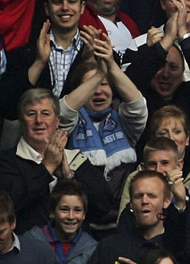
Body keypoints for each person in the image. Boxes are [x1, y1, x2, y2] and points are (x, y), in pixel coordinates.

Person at [0, 88, 112, 232]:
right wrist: (47, 168)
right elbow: (2, 208)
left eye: (45, 114)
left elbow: (104, 205)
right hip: (26, 248)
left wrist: (69, 179)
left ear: (57, 121)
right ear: (21, 121)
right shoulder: (3, 162)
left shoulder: (75, 158)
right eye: (31, 114)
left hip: (75, 248)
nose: (39, 120)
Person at [124, 0, 190, 162]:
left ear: (183, 72)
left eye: (173, 68)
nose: (165, 74)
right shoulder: (142, 100)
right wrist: (168, 38)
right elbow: (131, 81)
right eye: (159, 66)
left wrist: (184, 35)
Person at [59, 33, 147, 209]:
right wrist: (99, 75)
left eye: (104, 84)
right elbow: (63, 111)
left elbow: (138, 105)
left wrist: (111, 65)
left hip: (126, 212)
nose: (99, 91)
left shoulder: (122, 119)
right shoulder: (72, 121)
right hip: (84, 213)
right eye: (92, 85)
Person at [0, 0, 92, 120]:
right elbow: (6, 107)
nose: (65, 7)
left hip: (85, 137)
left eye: (72, 1)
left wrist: (90, 61)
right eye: (57, 1)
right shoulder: (26, 54)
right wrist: (39, 63)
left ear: (82, 7)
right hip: (37, 135)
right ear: (46, 8)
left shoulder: (94, 50)